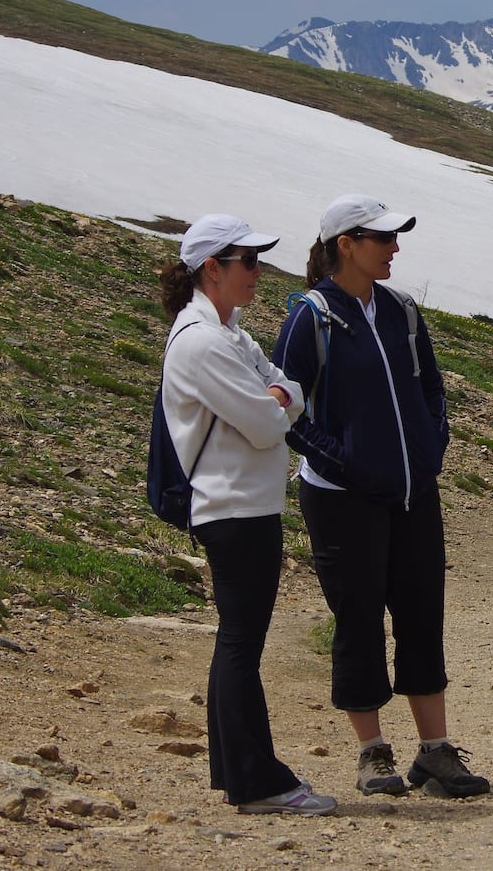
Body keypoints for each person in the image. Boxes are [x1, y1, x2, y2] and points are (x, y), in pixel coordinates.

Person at [272, 194, 489, 799]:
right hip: (341, 498)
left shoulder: (401, 311)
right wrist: (340, 459)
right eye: (383, 239)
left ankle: (435, 753)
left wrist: (431, 449)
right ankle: (372, 754)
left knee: (422, 612)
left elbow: (433, 390)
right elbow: (285, 407)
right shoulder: (310, 318)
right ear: (347, 245)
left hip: (413, 492)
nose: (395, 248)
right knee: (359, 619)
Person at [157, 213, 337, 817]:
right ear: (213, 269)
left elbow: (288, 389)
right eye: (249, 262)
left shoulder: (229, 332)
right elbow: (266, 424)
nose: (259, 272)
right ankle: (257, 780)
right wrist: (278, 401)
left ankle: (241, 773)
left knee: (240, 640)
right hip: (231, 506)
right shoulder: (205, 341)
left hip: (247, 504)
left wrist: (279, 397)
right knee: (241, 640)